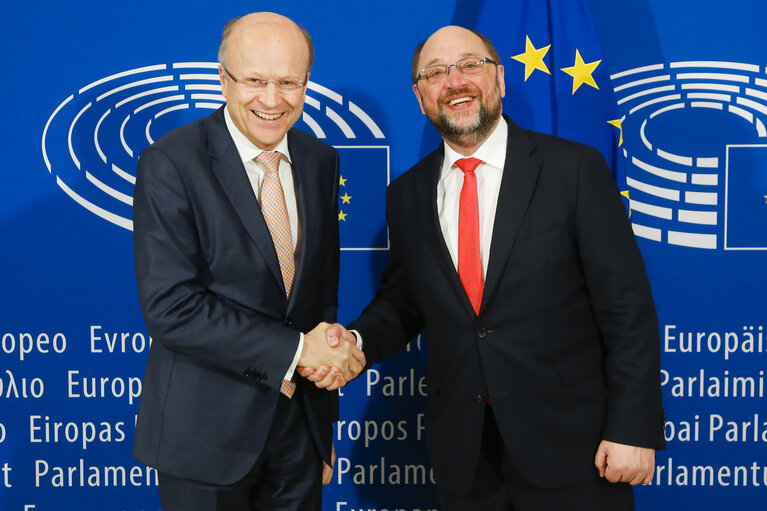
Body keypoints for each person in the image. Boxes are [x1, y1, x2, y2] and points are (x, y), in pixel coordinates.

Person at [305, 25, 664, 510]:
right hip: (466, 460)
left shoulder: (572, 170)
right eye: (436, 73)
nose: (455, 81)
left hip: (575, 452)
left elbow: (627, 309)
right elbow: (404, 304)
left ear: (499, 78)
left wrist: (632, 428)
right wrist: (356, 345)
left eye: (470, 65)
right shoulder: (406, 195)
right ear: (419, 96)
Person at [132, 12, 364, 511]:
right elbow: (172, 308)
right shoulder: (171, 163)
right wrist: (299, 351)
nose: (272, 99)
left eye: (288, 82)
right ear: (222, 78)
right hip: (204, 439)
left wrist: (321, 426)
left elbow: (320, 298)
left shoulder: (321, 161)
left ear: (306, 83)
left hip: (299, 434)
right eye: (255, 80)